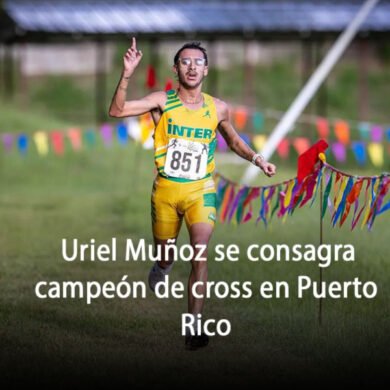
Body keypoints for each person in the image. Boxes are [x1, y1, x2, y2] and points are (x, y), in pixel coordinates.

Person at [109, 38, 276, 350]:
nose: (191, 66)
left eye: (197, 62)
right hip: (166, 192)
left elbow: (234, 141)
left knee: (200, 251)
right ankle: (162, 267)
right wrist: (127, 73)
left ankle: (193, 327)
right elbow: (116, 110)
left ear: (206, 70)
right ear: (176, 69)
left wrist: (257, 159)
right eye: (185, 62)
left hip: (201, 190)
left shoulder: (218, 108)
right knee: (167, 254)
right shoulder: (162, 101)